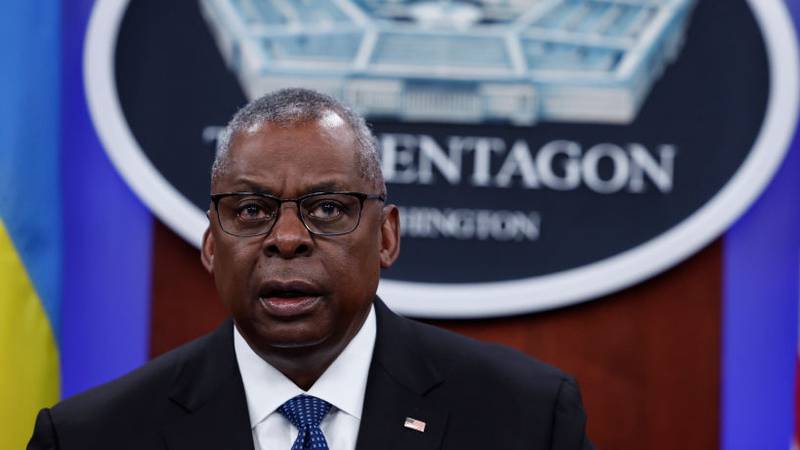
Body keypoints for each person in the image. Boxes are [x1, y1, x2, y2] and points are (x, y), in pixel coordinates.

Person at [28, 88, 593, 450]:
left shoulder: (525, 420)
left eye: (328, 208)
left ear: (387, 237)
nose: (289, 239)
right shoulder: (91, 436)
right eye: (251, 211)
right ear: (209, 245)